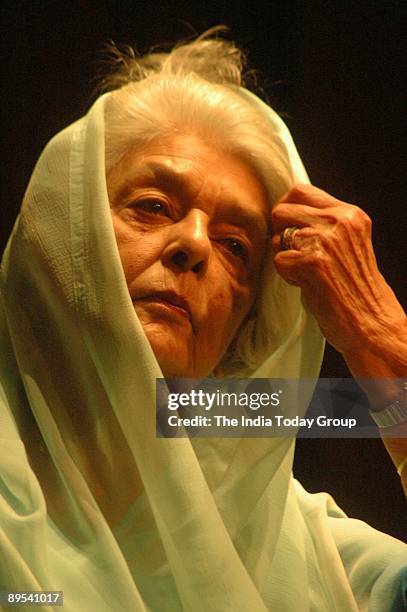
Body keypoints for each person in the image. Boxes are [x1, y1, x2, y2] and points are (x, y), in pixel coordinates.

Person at [0, 31, 406, 611]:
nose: (193, 244)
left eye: (235, 246)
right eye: (152, 207)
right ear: (64, 235)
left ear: (243, 326)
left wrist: (383, 341)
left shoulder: (308, 553)